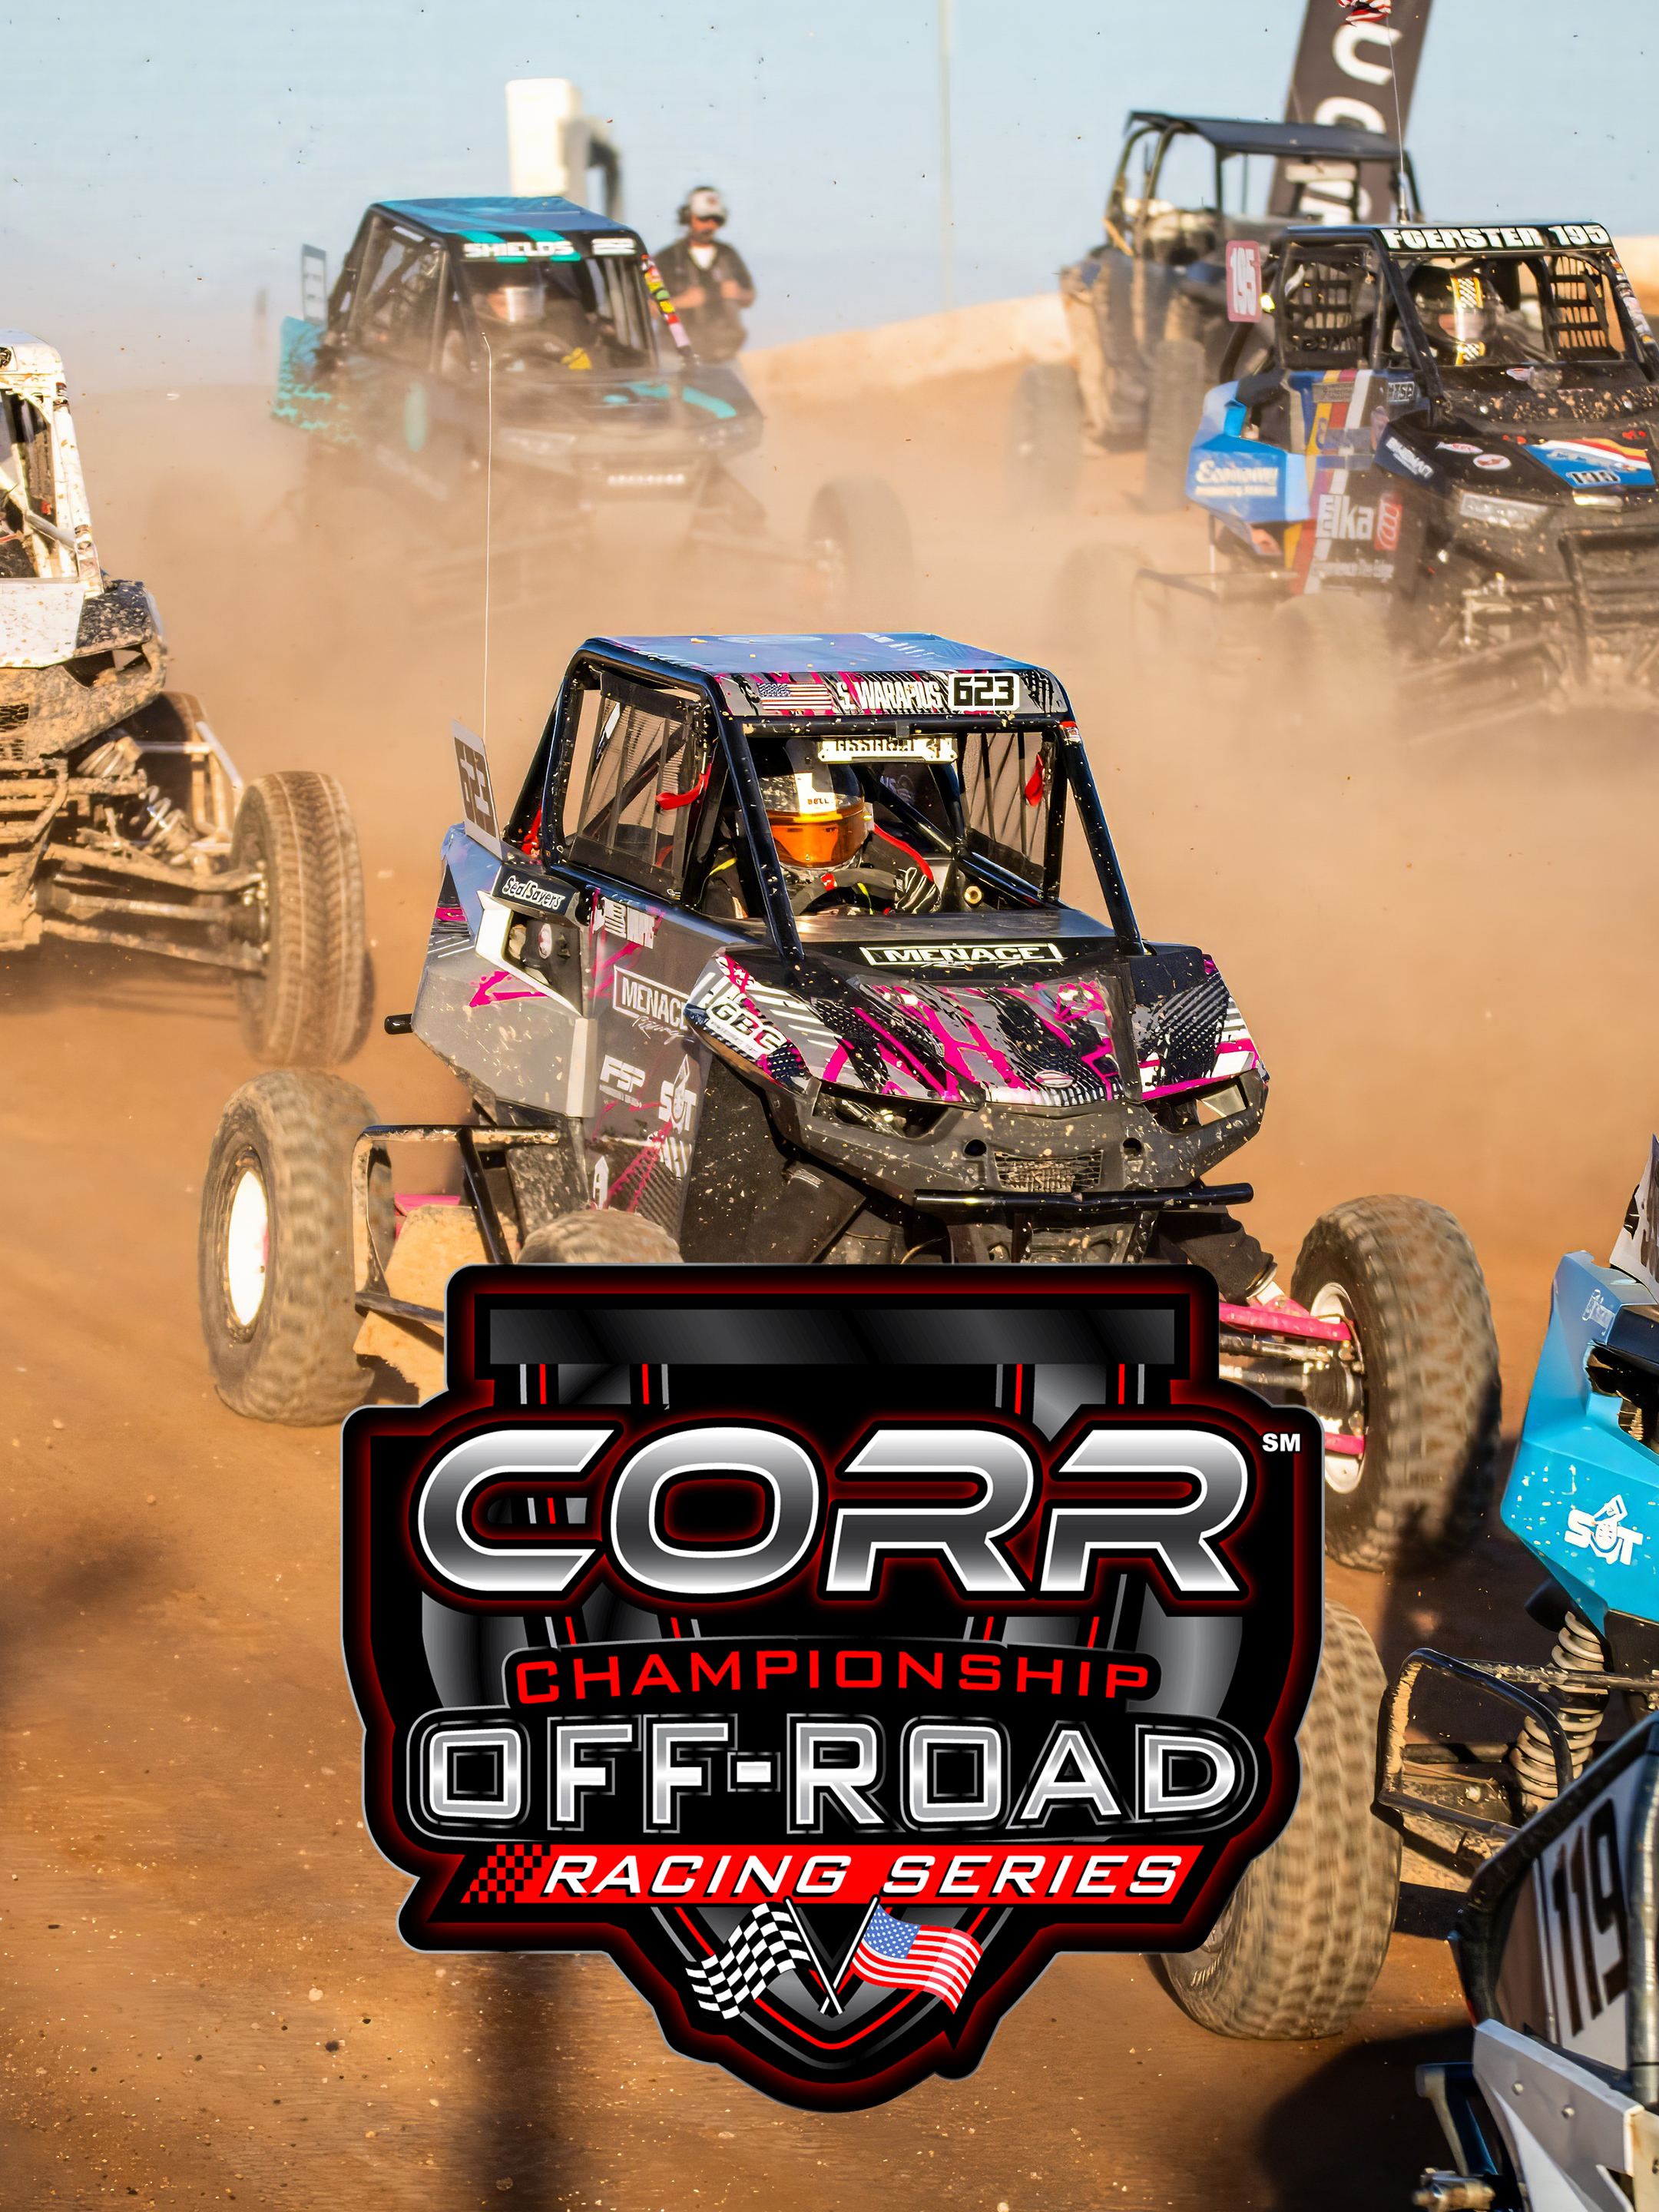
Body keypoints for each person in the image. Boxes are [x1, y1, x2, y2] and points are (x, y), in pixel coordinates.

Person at [700, 738, 940, 919]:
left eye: (831, 832)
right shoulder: (726, 883)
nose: (817, 850)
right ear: (746, 829)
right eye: (796, 834)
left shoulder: (898, 867)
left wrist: (914, 920)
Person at [654, 187, 755, 363]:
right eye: (704, 218)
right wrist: (682, 302)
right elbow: (649, 308)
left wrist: (737, 293)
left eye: (716, 220)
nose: (710, 226)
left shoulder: (728, 255)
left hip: (723, 355)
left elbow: (750, 297)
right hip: (676, 357)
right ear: (687, 217)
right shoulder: (666, 258)